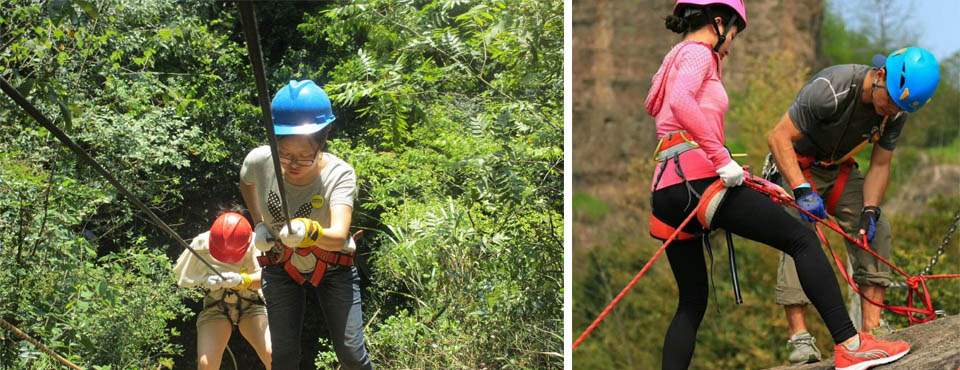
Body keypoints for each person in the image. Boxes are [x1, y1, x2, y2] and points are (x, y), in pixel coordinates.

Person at [645, 1, 911, 369]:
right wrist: (722, 161)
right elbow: (680, 103)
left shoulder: (671, 59)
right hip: (699, 181)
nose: (731, 46)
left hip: (667, 193)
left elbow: (665, 112)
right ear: (719, 23)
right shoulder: (698, 54)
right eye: (734, 35)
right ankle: (850, 344)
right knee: (801, 237)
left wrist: (755, 180)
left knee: (691, 301)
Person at [765, 46, 940, 365]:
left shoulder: (896, 111)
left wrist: (870, 210)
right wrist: (801, 190)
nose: (891, 112)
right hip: (798, 168)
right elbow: (778, 138)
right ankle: (800, 337)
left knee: (878, 229)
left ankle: (873, 328)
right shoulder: (831, 88)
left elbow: (881, 165)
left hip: (839, 170)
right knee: (799, 234)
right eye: (889, 101)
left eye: (900, 108)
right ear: (881, 75)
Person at [240, 80, 373, 369]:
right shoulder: (260, 161)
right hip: (280, 264)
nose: (293, 164)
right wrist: (258, 223)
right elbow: (246, 182)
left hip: (333, 266)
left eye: (305, 156)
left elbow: (339, 236)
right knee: (284, 357)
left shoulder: (339, 174)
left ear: (322, 144)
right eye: (285, 154)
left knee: (351, 354)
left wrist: (309, 231)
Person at [173, 208, 272, 369]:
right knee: (206, 365)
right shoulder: (201, 243)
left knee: (273, 355)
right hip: (215, 307)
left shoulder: (255, 242)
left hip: (251, 306)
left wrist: (241, 280)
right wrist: (205, 280)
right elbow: (181, 278)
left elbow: (268, 279)